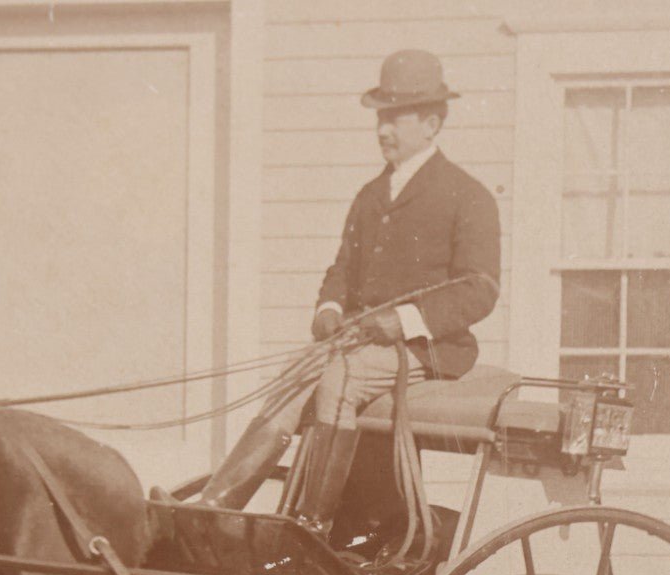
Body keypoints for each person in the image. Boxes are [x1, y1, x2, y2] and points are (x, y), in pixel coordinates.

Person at [196, 49, 501, 536]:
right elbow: (341, 268)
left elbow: (479, 289)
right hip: (359, 341)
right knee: (298, 375)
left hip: (429, 349)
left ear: (431, 124)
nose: (383, 129)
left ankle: (308, 524)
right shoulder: (370, 196)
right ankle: (215, 505)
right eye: (381, 117)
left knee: (338, 378)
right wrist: (329, 308)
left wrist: (402, 321)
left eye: (395, 117)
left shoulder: (468, 195)